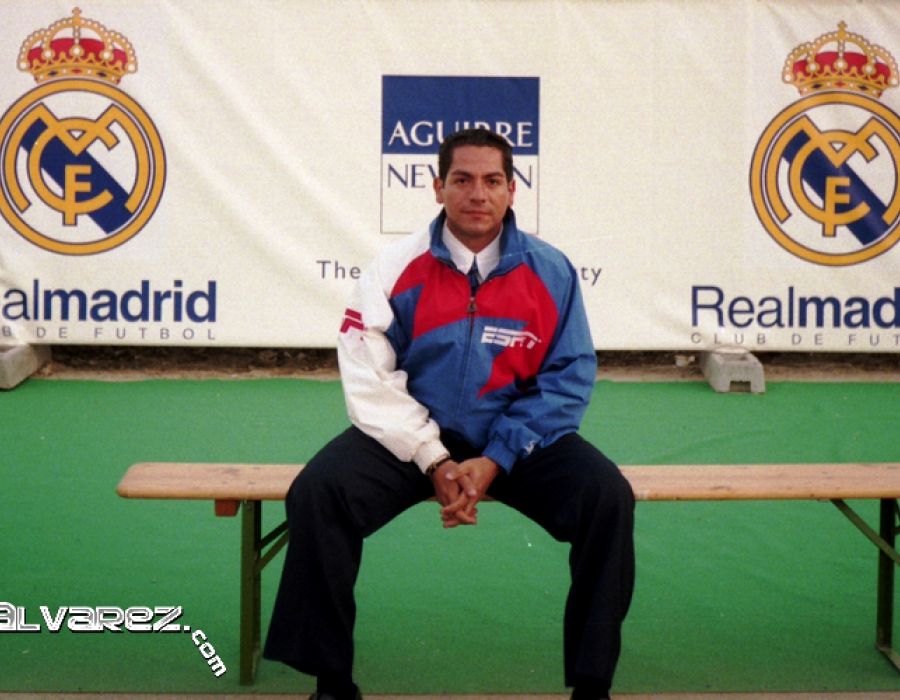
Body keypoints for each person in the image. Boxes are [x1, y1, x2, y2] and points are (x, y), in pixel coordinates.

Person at [264, 128, 635, 700]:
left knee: (607, 498)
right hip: (413, 437)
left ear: (512, 190)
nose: (477, 194)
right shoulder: (393, 267)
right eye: (462, 180)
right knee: (319, 493)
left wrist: (498, 456)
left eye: (492, 181)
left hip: (515, 440)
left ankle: (592, 688)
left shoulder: (551, 271)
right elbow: (368, 374)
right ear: (438, 187)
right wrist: (432, 456)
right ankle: (331, 684)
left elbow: (568, 376)